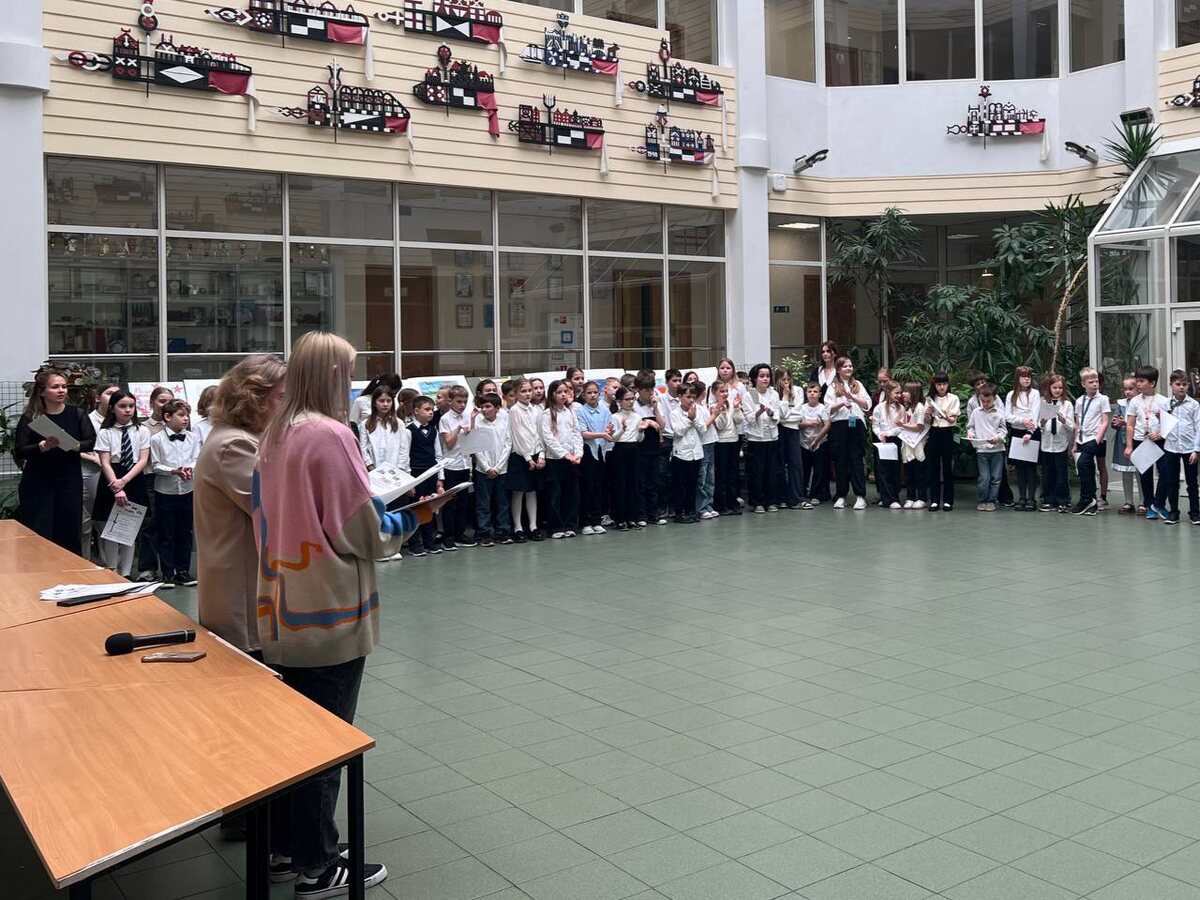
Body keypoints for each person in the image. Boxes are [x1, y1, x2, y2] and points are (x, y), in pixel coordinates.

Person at [254, 332, 444, 899]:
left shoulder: (275, 433)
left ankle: (285, 848)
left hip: (280, 602)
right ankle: (318, 864)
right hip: (327, 609)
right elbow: (362, 531)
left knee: (293, 735)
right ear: (334, 376)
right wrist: (416, 517)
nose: (355, 384)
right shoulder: (331, 435)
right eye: (351, 372)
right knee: (327, 740)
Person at [195, 353, 287, 653]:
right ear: (254, 399)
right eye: (281, 398)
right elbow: (275, 509)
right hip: (243, 595)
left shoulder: (237, 437)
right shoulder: (236, 444)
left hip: (245, 587)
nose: (288, 407)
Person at [15, 369, 96, 553]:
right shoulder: (31, 416)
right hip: (38, 481)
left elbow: (90, 441)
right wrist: (42, 446)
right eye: (55, 387)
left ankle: (70, 567)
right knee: (39, 528)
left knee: (69, 528)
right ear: (42, 391)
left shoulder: (77, 413)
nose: (61, 390)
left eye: (64, 387)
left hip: (69, 480)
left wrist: (74, 445)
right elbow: (20, 450)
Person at [93, 389, 151, 575]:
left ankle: (126, 573)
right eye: (122, 406)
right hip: (112, 477)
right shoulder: (106, 432)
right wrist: (117, 487)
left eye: (131, 406)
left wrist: (124, 481)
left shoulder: (142, 430)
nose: (128, 410)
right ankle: (112, 570)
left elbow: (143, 460)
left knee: (129, 528)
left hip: (133, 477)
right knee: (111, 529)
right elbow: (105, 461)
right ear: (112, 408)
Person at [149, 398, 200, 587]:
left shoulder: (193, 437)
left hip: (187, 489)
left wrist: (188, 468)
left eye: (187, 415)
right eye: (181, 415)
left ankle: (183, 571)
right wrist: (173, 471)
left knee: (185, 532)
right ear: (168, 417)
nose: (186, 419)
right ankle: (167, 573)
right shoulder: (156, 439)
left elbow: (197, 459)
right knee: (165, 533)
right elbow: (155, 465)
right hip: (165, 491)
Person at [136, 385, 175, 579]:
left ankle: (173, 568)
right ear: (152, 403)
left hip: (174, 480)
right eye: (162, 401)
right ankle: (148, 567)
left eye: (170, 401)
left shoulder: (178, 425)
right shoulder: (143, 427)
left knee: (172, 524)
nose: (165, 405)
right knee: (149, 523)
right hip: (150, 478)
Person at [1152, 369, 1200, 525]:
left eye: (1184, 384)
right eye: (1178, 384)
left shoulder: (1194, 405)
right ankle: (1173, 512)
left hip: (1189, 448)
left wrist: (1196, 450)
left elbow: (1198, 427)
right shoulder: (1165, 404)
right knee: (1171, 481)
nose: (1181, 387)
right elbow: (1159, 424)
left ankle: (1195, 513)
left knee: (1192, 482)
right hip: (1171, 447)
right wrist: (1157, 427)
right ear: (1171, 385)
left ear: (1188, 386)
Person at [81, 382, 119, 560]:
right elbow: (75, 447)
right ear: (98, 398)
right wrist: (97, 459)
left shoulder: (120, 420)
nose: (114, 397)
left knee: (108, 520)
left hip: (114, 474)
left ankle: (108, 562)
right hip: (89, 473)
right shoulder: (87, 419)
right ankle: (84, 560)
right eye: (109, 393)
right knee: (86, 522)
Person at [540, 379, 582, 539]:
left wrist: (578, 453)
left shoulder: (570, 412)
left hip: (572, 459)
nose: (564, 394)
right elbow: (548, 438)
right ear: (552, 394)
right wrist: (564, 454)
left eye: (566, 391)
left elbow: (576, 432)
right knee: (554, 494)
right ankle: (554, 527)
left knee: (571, 494)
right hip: (555, 459)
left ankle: (569, 524)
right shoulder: (547, 414)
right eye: (560, 392)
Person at [826, 356, 870, 510]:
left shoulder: (858, 385)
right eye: (845, 366)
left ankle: (860, 496)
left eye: (850, 366)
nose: (848, 368)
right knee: (841, 461)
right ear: (838, 369)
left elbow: (867, 404)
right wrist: (841, 403)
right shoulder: (832, 386)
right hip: (839, 426)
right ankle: (841, 496)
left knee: (856, 460)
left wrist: (853, 398)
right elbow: (827, 408)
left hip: (856, 424)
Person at [1125, 365, 1168, 520]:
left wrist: (1160, 435)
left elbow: (1168, 424)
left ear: (1152, 383)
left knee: (1165, 472)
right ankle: (1149, 505)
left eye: (1141, 381)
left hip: (1159, 441)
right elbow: (1130, 424)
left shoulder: (1164, 401)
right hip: (1140, 440)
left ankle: (1159, 503)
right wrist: (1129, 446)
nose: (1138, 384)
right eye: (1137, 380)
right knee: (1145, 475)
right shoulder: (1134, 401)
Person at [471, 393, 512, 547]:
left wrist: (499, 466)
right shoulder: (478, 423)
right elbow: (476, 447)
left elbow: (508, 444)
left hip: (502, 469)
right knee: (483, 503)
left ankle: (503, 532)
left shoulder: (504, 422)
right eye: (482, 406)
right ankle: (485, 533)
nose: (484, 409)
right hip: (483, 470)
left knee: (502, 502)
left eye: (488, 406)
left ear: (497, 408)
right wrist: (487, 467)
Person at [438, 385, 476, 549]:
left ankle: (460, 534)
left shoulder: (467, 415)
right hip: (451, 466)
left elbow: (472, 439)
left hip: (464, 464)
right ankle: (448, 536)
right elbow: (449, 443)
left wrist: (472, 420)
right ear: (450, 401)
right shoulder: (445, 419)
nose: (462, 405)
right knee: (450, 504)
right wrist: (459, 428)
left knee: (463, 503)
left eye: (464, 402)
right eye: (459, 401)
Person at [1070, 366, 1111, 517]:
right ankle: (1092, 502)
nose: (1095, 384)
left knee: (1082, 464)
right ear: (1083, 384)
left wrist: (1097, 440)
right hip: (1082, 439)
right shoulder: (1080, 401)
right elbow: (1078, 423)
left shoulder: (1103, 399)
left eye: (1096, 381)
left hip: (1095, 439)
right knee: (1088, 468)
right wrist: (1075, 443)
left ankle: (1085, 499)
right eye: (1091, 382)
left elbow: (1105, 422)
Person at [507, 378, 544, 543]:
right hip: (521, 456)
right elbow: (518, 436)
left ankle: (533, 526)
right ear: (515, 393)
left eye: (530, 390)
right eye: (523, 391)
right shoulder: (515, 410)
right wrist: (528, 457)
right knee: (518, 492)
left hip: (536, 455)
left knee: (532, 491)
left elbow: (540, 433)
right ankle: (518, 527)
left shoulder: (536, 409)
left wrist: (541, 454)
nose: (528, 394)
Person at [406, 396, 443, 556]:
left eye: (432, 410)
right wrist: (408, 479)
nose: (430, 412)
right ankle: (415, 544)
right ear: (416, 411)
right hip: (415, 473)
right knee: (415, 507)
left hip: (431, 472)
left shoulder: (434, 431)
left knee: (429, 507)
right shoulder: (408, 431)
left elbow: (438, 455)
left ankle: (429, 541)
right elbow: (405, 455)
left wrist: (440, 477)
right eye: (427, 409)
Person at [669, 383, 709, 524]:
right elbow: (678, 432)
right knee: (680, 485)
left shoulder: (699, 410)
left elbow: (703, 429)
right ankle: (680, 513)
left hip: (696, 452)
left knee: (693, 484)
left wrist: (695, 418)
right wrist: (689, 419)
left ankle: (691, 511)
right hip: (681, 453)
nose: (691, 400)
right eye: (688, 397)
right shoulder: (674, 413)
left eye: (693, 397)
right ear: (680, 397)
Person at [743, 363, 780, 514]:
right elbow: (748, 418)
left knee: (772, 471)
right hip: (756, 439)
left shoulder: (774, 394)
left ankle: (771, 501)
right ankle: (757, 502)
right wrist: (759, 412)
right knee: (757, 472)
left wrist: (771, 413)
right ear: (754, 378)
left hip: (771, 437)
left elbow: (777, 414)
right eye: (761, 376)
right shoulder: (749, 395)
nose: (765, 379)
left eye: (768, 376)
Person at [576, 381, 611, 535]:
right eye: (589, 393)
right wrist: (602, 434)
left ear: (599, 393)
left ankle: (596, 520)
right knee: (587, 487)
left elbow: (609, 429)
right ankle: (585, 522)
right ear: (583, 395)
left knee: (599, 487)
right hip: (587, 451)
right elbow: (583, 433)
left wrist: (609, 431)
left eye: (595, 392)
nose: (592, 395)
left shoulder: (605, 410)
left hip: (601, 451)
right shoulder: (580, 411)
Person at [1006, 366, 1042, 511]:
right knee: (1019, 468)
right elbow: (1008, 416)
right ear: (1018, 379)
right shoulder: (1011, 395)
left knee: (1031, 468)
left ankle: (1031, 498)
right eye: (1023, 377)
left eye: (1028, 377)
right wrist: (1022, 421)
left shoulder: (1035, 393)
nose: (1026, 379)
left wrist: (1030, 432)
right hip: (1016, 433)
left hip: (1031, 433)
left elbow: (1035, 414)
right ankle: (1021, 498)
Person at [633, 372, 665, 526]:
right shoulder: (634, 405)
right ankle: (641, 515)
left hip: (654, 448)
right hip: (639, 448)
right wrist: (647, 422)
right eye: (646, 390)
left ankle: (654, 513)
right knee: (640, 482)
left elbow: (662, 425)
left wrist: (655, 408)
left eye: (652, 389)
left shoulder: (656, 403)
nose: (650, 393)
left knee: (654, 481)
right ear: (638, 390)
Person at [1038, 374, 1074, 512]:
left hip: (1061, 444)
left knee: (1061, 474)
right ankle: (1048, 499)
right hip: (1047, 444)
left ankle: (1062, 500)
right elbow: (1038, 425)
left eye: (1060, 388)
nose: (1057, 390)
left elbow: (1072, 427)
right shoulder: (1043, 402)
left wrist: (1064, 421)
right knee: (1047, 473)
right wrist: (1042, 423)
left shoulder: (1067, 404)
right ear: (1049, 388)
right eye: (1054, 388)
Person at [968, 385, 1007, 511]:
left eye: (988, 401)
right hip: (982, 450)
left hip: (997, 450)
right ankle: (982, 500)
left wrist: (997, 438)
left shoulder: (1000, 413)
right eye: (982, 401)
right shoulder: (976, 412)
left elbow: (1003, 430)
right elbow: (971, 427)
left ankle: (991, 501)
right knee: (984, 477)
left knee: (996, 478)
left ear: (994, 398)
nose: (985, 404)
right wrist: (971, 434)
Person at [608, 386, 642, 531]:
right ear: (619, 401)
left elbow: (639, 438)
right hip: (620, 450)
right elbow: (613, 438)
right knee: (620, 484)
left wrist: (641, 431)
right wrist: (623, 428)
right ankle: (620, 519)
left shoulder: (637, 416)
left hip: (634, 449)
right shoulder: (615, 417)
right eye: (627, 399)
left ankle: (632, 517)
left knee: (633, 484)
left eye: (632, 399)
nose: (631, 402)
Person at [359, 387, 410, 478]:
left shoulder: (399, 423)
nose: (385, 404)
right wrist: (371, 467)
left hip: (396, 472)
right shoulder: (366, 424)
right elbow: (363, 448)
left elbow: (404, 449)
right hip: (374, 472)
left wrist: (399, 470)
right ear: (374, 403)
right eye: (381, 401)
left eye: (388, 401)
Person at [926, 373, 959, 511]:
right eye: (939, 384)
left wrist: (943, 414)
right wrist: (928, 413)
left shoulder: (953, 398)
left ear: (948, 384)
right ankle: (934, 500)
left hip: (947, 432)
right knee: (933, 467)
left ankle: (948, 500)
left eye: (944, 384)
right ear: (934, 385)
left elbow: (952, 420)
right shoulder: (930, 398)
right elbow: (928, 421)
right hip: (934, 431)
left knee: (947, 467)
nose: (941, 387)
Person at [711, 380, 743, 516]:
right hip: (721, 442)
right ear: (714, 393)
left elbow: (739, 421)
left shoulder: (731, 403)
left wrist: (736, 408)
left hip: (733, 440)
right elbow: (720, 426)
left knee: (733, 474)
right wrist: (722, 412)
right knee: (722, 474)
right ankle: (721, 504)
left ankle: (733, 502)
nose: (724, 394)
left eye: (726, 391)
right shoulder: (713, 407)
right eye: (721, 391)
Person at [871, 381, 904, 510]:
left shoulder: (901, 408)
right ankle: (887, 498)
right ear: (889, 393)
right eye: (896, 393)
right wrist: (880, 434)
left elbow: (901, 427)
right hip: (883, 442)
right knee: (883, 470)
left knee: (895, 469)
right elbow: (875, 425)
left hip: (895, 440)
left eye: (900, 393)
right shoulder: (879, 408)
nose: (899, 395)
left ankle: (894, 496)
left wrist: (889, 433)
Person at [798, 381, 830, 508]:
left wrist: (816, 440)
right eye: (810, 391)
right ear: (806, 394)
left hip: (819, 442)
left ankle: (816, 494)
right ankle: (802, 492)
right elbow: (797, 424)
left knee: (819, 469)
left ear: (820, 394)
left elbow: (827, 425)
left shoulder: (822, 408)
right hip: (804, 442)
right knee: (804, 469)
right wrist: (807, 423)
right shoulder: (802, 408)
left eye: (815, 391)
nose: (812, 394)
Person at [777, 369, 806, 509]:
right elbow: (779, 415)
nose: (786, 382)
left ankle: (796, 498)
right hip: (779, 430)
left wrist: (785, 415)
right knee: (780, 464)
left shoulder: (798, 390)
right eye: (783, 379)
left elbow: (798, 414)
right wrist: (785, 397)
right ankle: (781, 497)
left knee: (796, 463)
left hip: (793, 429)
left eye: (788, 379)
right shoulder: (774, 392)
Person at [1111, 375, 1140, 514]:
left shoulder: (1140, 403)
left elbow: (1142, 422)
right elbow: (1114, 422)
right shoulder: (1121, 404)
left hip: (1138, 441)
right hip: (1123, 442)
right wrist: (1116, 423)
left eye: (1131, 389)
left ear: (1137, 389)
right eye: (1125, 389)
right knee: (1126, 472)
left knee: (1140, 472)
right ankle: (1129, 502)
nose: (1128, 392)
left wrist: (1126, 423)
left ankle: (1144, 502)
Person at [899, 380, 930, 509]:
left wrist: (902, 425)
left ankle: (922, 498)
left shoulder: (920, 407)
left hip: (918, 445)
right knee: (908, 473)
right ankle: (910, 497)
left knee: (920, 473)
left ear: (914, 392)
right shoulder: (907, 407)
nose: (903, 394)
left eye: (906, 391)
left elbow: (919, 426)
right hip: (908, 443)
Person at [695, 380, 719, 520]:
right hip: (703, 444)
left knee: (710, 477)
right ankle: (701, 507)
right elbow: (702, 427)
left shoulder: (703, 406)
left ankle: (709, 505)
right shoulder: (696, 408)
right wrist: (714, 415)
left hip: (710, 442)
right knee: (702, 478)